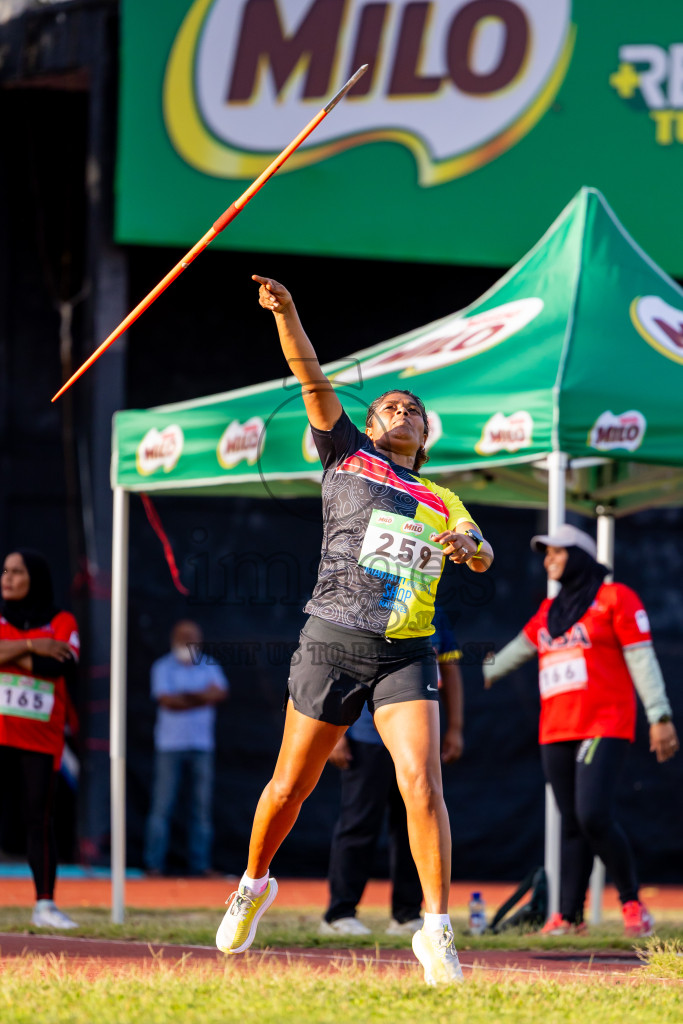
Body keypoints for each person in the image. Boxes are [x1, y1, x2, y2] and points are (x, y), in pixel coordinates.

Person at [215, 276, 493, 987]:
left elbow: (479, 547)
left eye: (413, 411)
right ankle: (253, 882)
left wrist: (469, 548)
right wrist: (290, 311)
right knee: (287, 788)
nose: (399, 411)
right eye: (390, 406)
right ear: (371, 426)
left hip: (407, 648)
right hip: (333, 636)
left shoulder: (441, 495)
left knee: (420, 784)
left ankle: (434, 930)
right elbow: (308, 373)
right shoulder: (345, 455)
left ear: (425, 438)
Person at [483, 523, 678, 937]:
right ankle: (568, 917)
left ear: (581, 557)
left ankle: (632, 904)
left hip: (604, 724)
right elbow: (506, 658)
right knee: (572, 821)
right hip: (555, 731)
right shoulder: (549, 612)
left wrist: (659, 716)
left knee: (593, 815)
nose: (548, 560)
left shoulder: (615, 598)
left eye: (557, 552)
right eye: (545, 553)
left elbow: (642, 659)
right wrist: (446, 663)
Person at [321, 605, 464, 937]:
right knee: (358, 824)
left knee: (416, 822)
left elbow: (450, 668)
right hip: (364, 735)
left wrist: (455, 727)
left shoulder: (435, 612)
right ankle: (338, 915)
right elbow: (334, 668)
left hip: (414, 740)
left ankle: (406, 915)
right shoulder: (362, 600)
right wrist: (335, 731)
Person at [0, 549, 80, 929]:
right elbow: (44, 657)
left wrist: (8, 654)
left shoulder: (62, 620)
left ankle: (45, 905)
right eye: (5, 571)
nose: (7, 578)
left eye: (17, 572)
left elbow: (58, 664)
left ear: (35, 577)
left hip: (41, 739)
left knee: (38, 820)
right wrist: (33, 646)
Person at [144, 620, 228, 877]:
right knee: (162, 806)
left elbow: (220, 694)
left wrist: (185, 696)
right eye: (183, 636)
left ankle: (200, 866)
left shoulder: (210, 664)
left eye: (192, 636)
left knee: (201, 809)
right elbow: (167, 701)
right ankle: (154, 866)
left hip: (202, 745)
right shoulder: (162, 666)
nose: (187, 640)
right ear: (173, 638)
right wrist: (201, 696)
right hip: (169, 745)